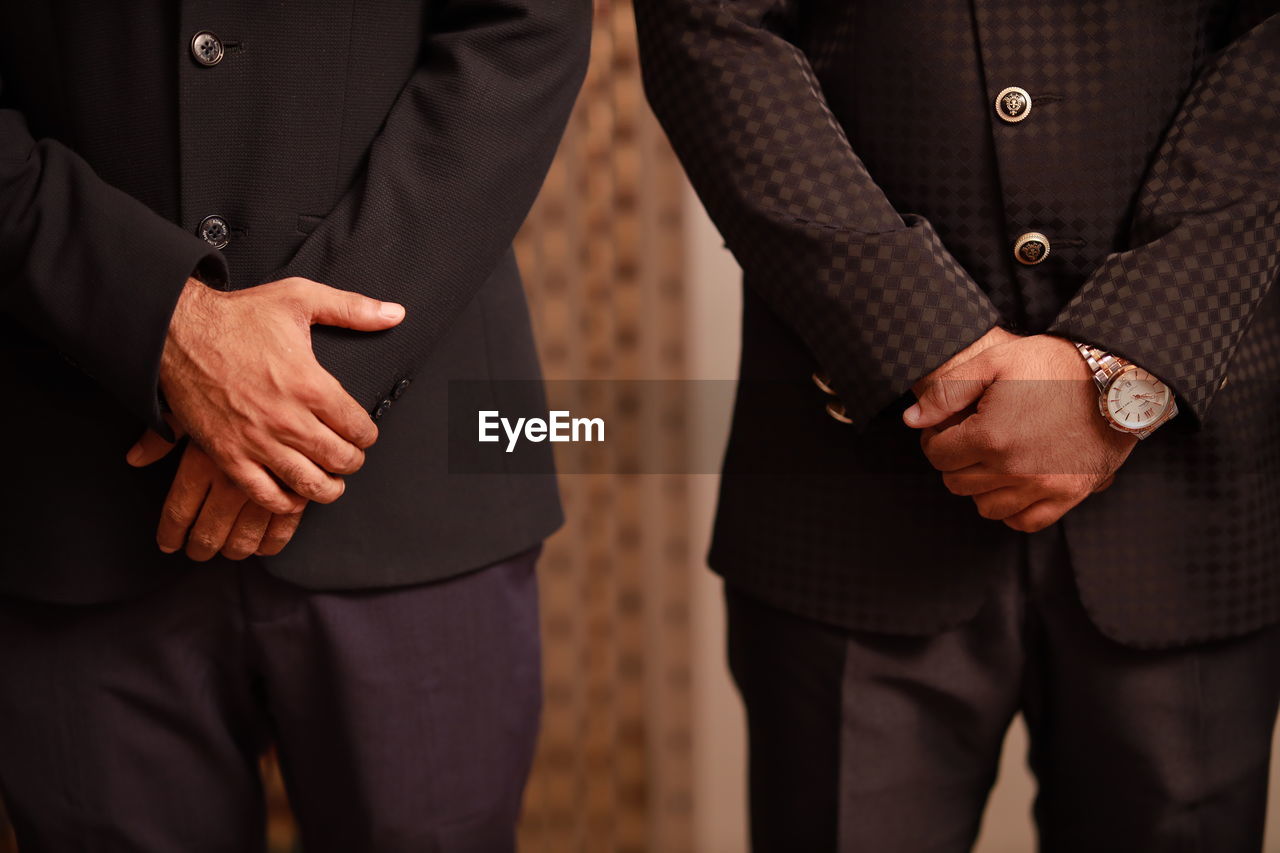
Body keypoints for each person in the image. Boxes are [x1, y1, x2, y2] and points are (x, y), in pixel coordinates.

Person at [636, 1, 1280, 850]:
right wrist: (924, 340)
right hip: (849, 486)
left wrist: (1130, 359)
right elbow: (711, 27)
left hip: (1194, 492)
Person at [0, 2, 590, 850]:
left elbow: (524, 29)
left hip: (412, 484)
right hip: (68, 481)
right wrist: (161, 324)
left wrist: (304, 394)